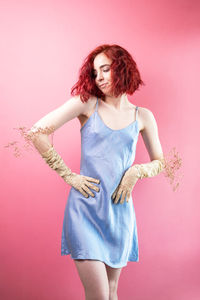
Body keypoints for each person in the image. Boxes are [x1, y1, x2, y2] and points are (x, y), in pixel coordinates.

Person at [28, 44, 165, 300]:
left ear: (123, 69)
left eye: (106, 69)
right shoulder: (87, 104)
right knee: (99, 295)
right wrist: (68, 175)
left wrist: (136, 172)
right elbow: (37, 132)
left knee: (112, 293)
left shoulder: (143, 116)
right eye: (95, 71)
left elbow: (160, 161)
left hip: (120, 214)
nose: (99, 77)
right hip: (85, 210)